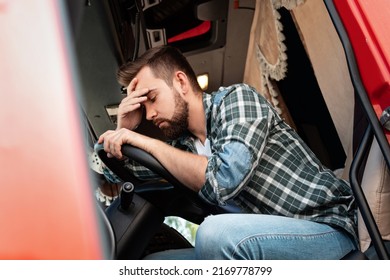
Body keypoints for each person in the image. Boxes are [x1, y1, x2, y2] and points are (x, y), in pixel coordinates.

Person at [98, 45, 358, 259]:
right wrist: (123, 130)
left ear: (180, 82)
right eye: (143, 109)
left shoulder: (237, 100)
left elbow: (222, 181)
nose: (150, 114)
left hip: (327, 229)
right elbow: (119, 173)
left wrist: (146, 141)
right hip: (260, 242)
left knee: (214, 234)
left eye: (152, 99)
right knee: (153, 265)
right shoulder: (183, 148)